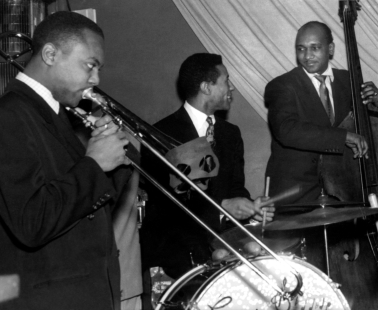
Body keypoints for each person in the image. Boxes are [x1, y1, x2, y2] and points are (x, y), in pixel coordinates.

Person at [0, 11, 132, 310]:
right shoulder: (4, 117)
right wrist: (95, 164)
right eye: (90, 65)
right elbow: (32, 222)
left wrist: (118, 158)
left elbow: (83, 211)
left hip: (87, 294)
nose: (96, 79)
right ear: (50, 54)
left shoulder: (56, 116)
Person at [140, 53, 274, 280]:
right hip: (175, 256)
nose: (231, 88)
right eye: (226, 81)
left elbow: (234, 189)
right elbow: (170, 205)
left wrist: (250, 207)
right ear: (206, 87)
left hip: (222, 251)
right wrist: (224, 207)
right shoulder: (161, 134)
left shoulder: (231, 134)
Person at [265, 21, 378, 204]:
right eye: (301, 49)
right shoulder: (281, 86)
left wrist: (376, 101)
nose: (307, 56)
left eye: (315, 48)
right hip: (297, 195)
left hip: (344, 192)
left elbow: (370, 123)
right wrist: (344, 137)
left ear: (330, 49)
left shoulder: (349, 80)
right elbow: (286, 129)